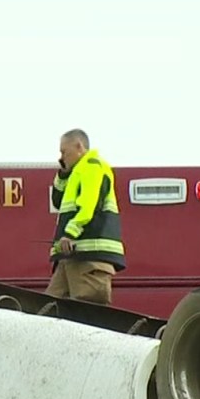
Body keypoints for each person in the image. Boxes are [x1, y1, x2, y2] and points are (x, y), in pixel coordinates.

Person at [46, 128, 125, 304]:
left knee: (87, 310)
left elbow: (89, 204)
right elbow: (58, 201)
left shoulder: (92, 167)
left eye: (64, 152)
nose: (61, 157)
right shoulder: (77, 172)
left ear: (79, 146)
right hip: (72, 256)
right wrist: (63, 174)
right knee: (51, 307)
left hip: (89, 257)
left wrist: (70, 233)